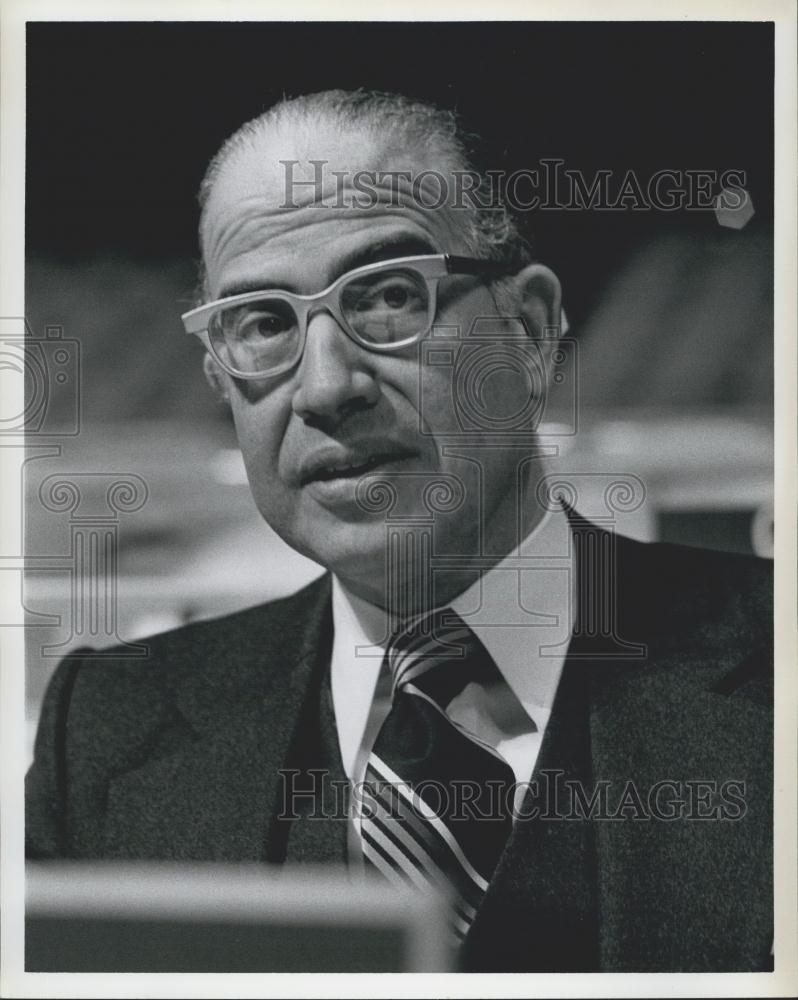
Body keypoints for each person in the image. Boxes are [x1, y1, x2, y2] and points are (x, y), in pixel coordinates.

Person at [25, 90, 773, 972]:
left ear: (528, 334)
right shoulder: (107, 732)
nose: (325, 386)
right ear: (221, 381)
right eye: (262, 323)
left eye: (386, 297)